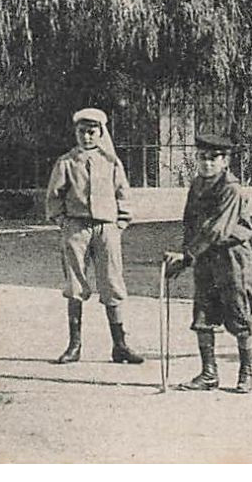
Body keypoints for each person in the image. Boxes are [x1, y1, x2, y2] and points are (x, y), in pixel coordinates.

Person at [164, 129, 252, 393]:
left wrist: (186, 257)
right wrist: (187, 253)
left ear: (225, 161)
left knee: (239, 316)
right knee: (203, 314)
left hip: (232, 259)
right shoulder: (196, 185)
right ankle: (209, 374)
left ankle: (246, 372)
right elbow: (190, 223)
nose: (207, 163)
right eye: (203, 157)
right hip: (205, 258)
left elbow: (216, 229)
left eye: (214, 158)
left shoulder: (232, 189)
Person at [45, 107, 143, 365]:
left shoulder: (111, 162)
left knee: (111, 283)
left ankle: (120, 345)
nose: (86, 137)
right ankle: (74, 345)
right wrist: (63, 221)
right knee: (75, 284)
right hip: (77, 229)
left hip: (106, 229)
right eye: (81, 132)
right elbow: (54, 197)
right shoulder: (66, 162)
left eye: (92, 132)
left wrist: (120, 222)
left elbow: (123, 193)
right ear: (75, 133)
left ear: (101, 133)